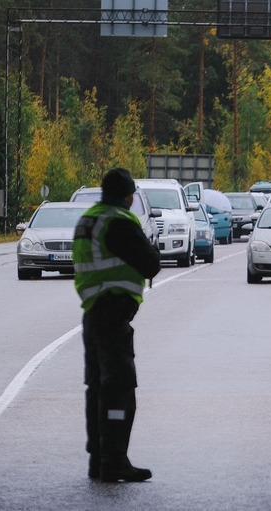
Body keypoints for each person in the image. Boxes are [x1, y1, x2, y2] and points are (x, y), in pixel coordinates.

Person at [73, 167, 161, 482]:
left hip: (93, 311)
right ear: (128, 196)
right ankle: (114, 461)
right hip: (113, 312)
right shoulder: (119, 222)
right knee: (119, 388)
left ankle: (98, 460)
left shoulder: (89, 219)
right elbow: (150, 262)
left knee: (97, 387)